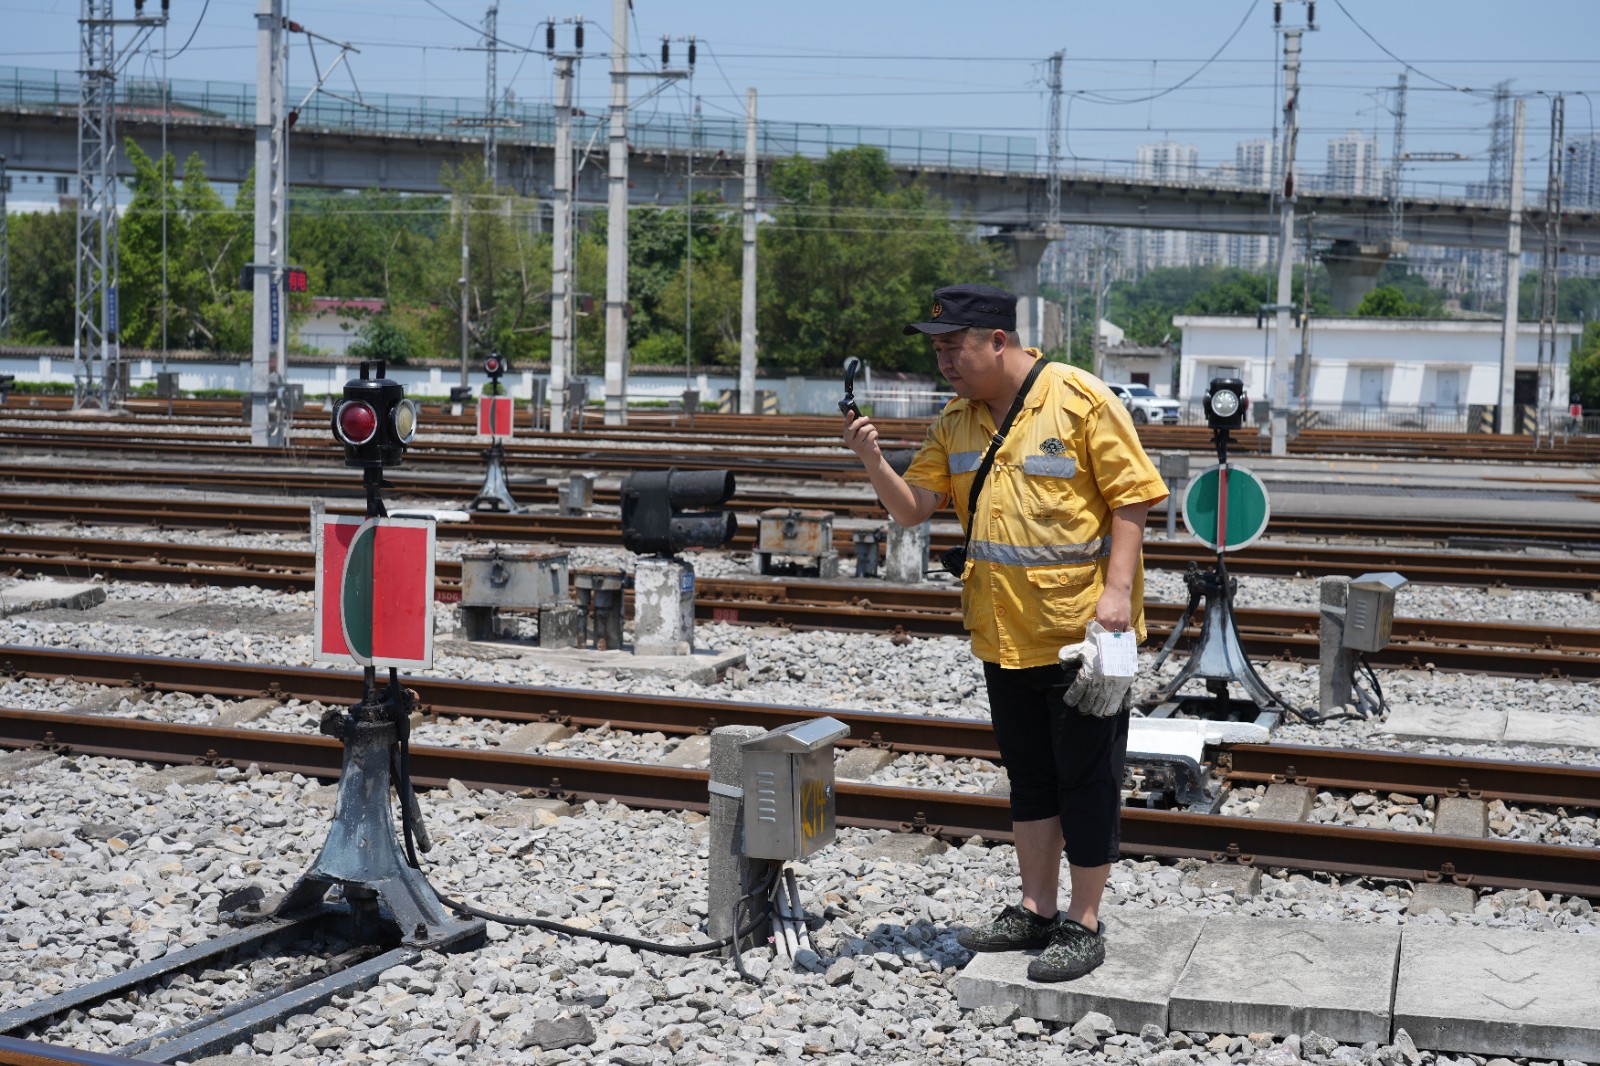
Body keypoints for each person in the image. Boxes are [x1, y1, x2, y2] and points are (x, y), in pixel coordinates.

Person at [842, 283, 1168, 983]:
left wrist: (1116, 592)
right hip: (1003, 633)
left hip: (1081, 636)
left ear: (997, 340)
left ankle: (1082, 923)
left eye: (952, 347)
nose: (943, 363)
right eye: (935, 349)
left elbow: (1134, 495)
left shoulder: (1079, 398)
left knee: (1088, 780)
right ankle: (1034, 908)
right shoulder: (956, 423)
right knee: (1030, 779)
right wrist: (872, 460)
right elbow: (911, 511)